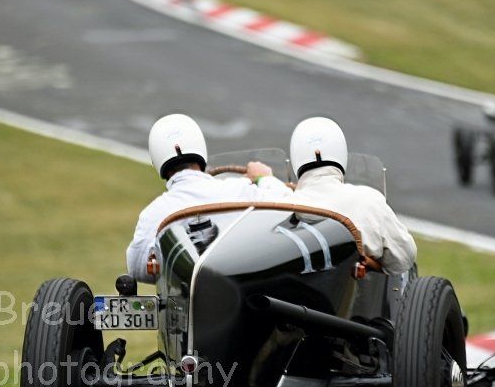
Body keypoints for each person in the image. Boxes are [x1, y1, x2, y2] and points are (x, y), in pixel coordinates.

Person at [126, 114, 292, 282]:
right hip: (248, 290)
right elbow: (290, 208)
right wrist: (264, 178)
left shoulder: (154, 213)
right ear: (200, 148)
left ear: (156, 160)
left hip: (191, 295)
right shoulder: (240, 189)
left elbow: (138, 270)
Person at [282, 117, 416, 275]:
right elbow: (403, 258)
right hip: (348, 287)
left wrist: (265, 180)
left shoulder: (279, 201)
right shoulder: (368, 199)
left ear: (296, 157)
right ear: (340, 153)